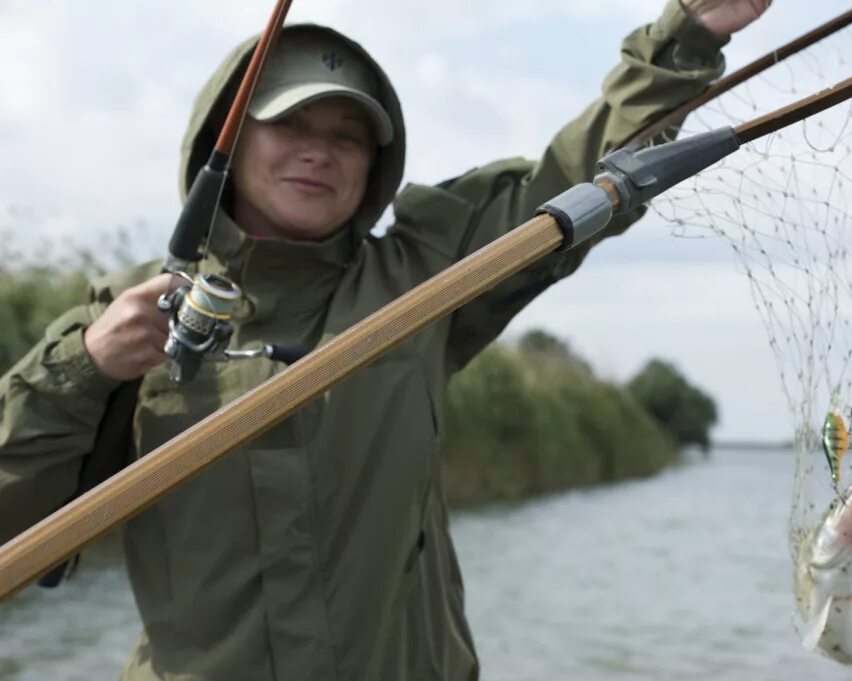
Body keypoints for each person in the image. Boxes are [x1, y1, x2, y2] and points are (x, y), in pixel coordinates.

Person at [0, 1, 769, 678]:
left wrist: (688, 36)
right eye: (290, 122)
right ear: (226, 142)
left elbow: (574, 181)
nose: (318, 150)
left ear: (374, 165)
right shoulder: (125, 315)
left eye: (348, 135)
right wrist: (85, 366)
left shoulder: (427, 276)